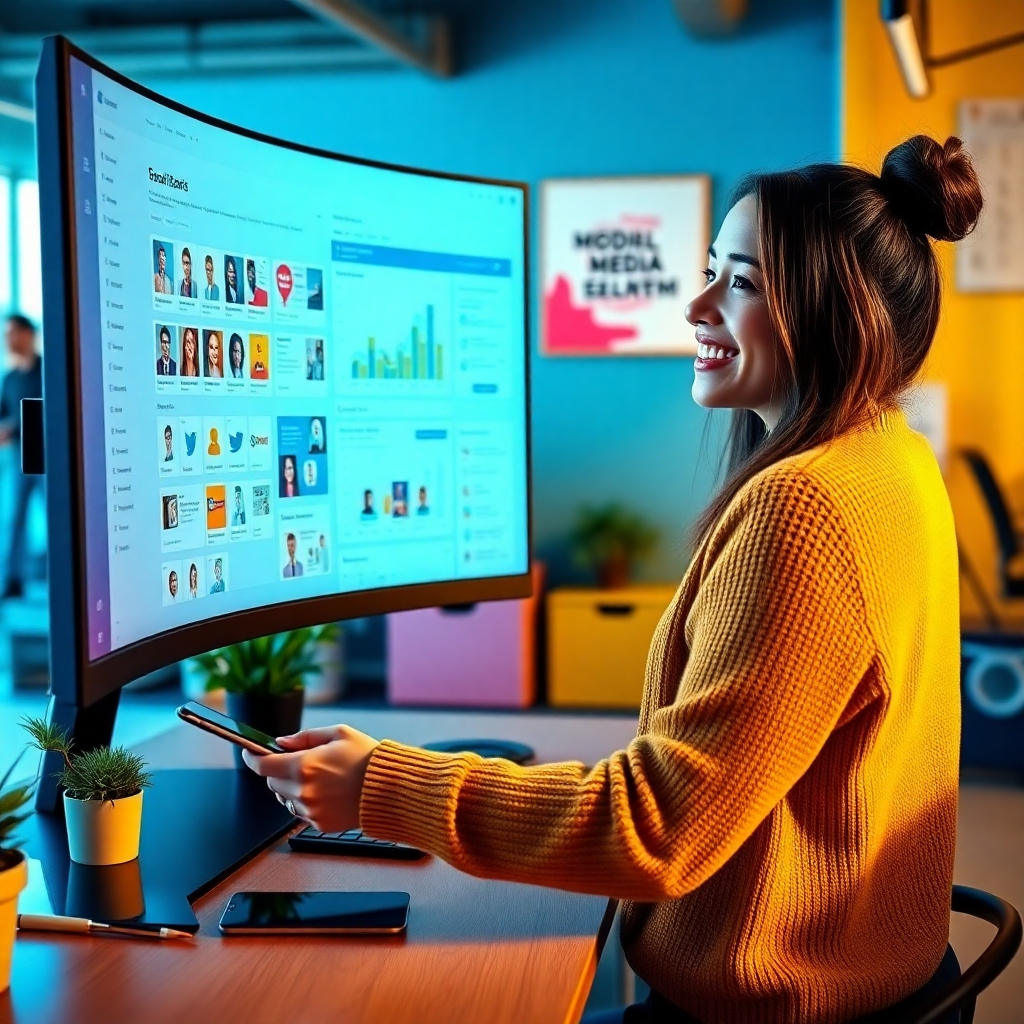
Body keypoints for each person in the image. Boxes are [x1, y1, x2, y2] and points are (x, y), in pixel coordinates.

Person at [242, 136, 982, 1024]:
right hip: (874, 973)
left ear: (837, 315)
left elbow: (659, 830)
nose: (697, 306)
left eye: (742, 284)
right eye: (710, 272)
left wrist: (381, 786)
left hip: (784, 1005)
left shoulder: (807, 507)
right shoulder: (892, 457)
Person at [0, 314, 44, 599]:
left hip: (48, 458)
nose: (8, 339)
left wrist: (14, 427)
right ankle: (13, 580)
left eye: (12, 332)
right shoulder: (10, 379)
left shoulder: (48, 371)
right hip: (20, 458)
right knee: (14, 517)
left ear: (28, 334)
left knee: (57, 514)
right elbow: (4, 415)